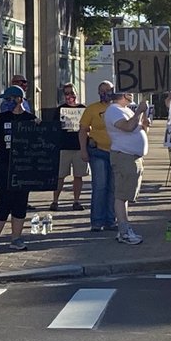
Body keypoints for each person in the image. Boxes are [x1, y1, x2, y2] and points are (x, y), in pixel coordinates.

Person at [0, 85, 35, 252]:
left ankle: (16, 238)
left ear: (19, 99)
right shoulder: (2, 119)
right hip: (3, 165)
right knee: (4, 200)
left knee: (20, 202)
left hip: (23, 167)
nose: (6, 103)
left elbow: (42, 143)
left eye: (9, 99)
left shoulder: (30, 119)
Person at [105, 89, 149, 245]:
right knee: (122, 195)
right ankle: (124, 230)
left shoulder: (125, 110)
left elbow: (137, 128)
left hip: (132, 156)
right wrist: (139, 112)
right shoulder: (113, 110)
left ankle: (124, 228)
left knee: (127, 194)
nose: (132, 96)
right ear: (124, 95)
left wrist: (143, 121)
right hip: (124, 156)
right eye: (129, 93)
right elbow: (127, 127)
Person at [78, 80, 117, 232]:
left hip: (116, 152)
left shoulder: (118, 108)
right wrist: (83, 150)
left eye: (108, 90)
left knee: (113, 188)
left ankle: (110, 220)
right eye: (102, 90)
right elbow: (83, 130)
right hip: (98, 152)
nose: (105, 93)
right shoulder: (92, 109)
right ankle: (96, 221)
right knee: (100, 186)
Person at [49, 82, 88, 211]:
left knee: (78, 175)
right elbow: (53, 128)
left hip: (79, 147)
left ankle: (76, 201)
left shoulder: (83, 109)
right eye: (67, 93)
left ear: (76, 93)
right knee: (60, 176)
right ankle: (55, 201)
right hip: (63, 147)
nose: (70, 96)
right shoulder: (60, 110)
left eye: (72, 92)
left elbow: (88, 127)